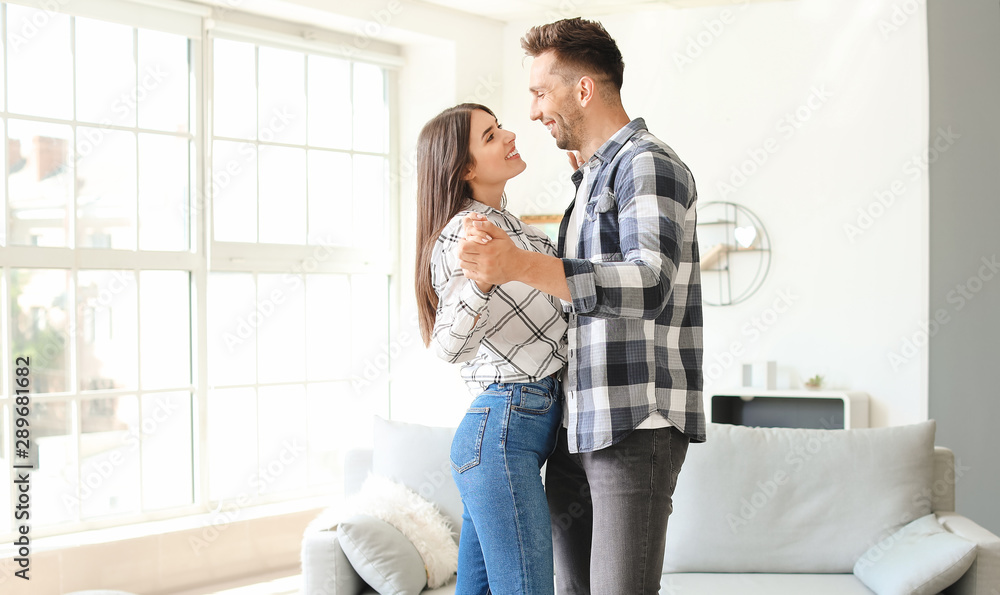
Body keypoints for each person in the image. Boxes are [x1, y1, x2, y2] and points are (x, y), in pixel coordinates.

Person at [455, 18, 705, 595]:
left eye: (541, 92)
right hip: (581, 424)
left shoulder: (648, 164)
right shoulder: (593, 180)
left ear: (584, 90)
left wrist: (518, 264)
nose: (535, 112)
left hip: (634, 424)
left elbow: (649, 284)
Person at [415, 102, 567, 594]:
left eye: (499, 126)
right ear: (465, 169)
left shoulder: (518, 232)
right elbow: (449, 346)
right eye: (489, 135)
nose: (508, 135)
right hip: (503, 429)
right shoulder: (468, 232)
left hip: (505, 434)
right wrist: (482, 282)